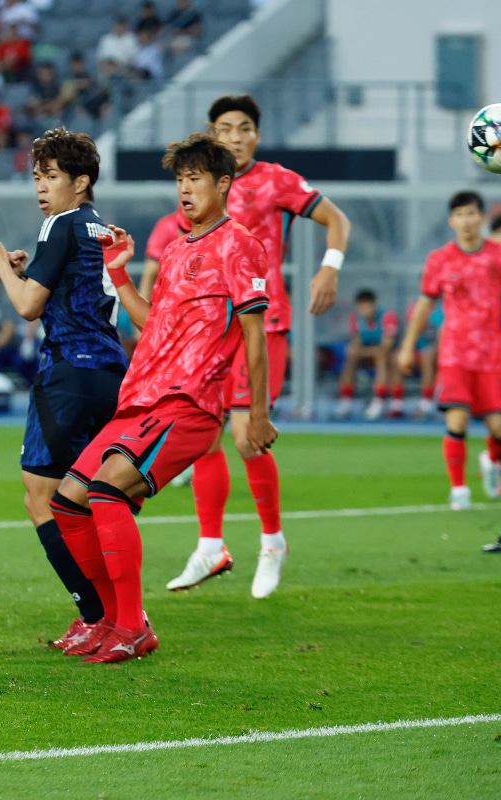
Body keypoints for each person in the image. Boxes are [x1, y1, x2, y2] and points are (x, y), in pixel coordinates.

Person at [48, 132, 274, 663]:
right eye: (179, 180)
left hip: (188, 402)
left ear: (224, 183)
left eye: (195, 179)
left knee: (106, 493)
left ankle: (133, 627)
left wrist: (258, 412)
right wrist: (119, 272)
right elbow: (153, 325)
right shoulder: (174, 250)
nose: (185, 190)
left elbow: (254, 334)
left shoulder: (240, 245)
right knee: (67, 502)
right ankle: (108, 620)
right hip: (142, 398)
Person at [163, 95, 351, 600]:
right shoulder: (199, 188)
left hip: (263, 324)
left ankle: (272, 543)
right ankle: (210, 546)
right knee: (203, 438)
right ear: (213, 134)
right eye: (226, 127)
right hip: (210, 329)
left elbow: (338, 219)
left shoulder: (275, 180)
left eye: (245, 127)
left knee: (246, 437)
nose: (237, 136)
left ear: (257, 136)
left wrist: (329, 268)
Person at [0, 127, 128, 653]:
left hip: (68, 373)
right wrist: (23, 272)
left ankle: (98, 615)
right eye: (37, 177)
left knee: (42, 497)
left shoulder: (60, 223)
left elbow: (27, 307)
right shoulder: (98, 227)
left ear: (80, 182)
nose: (41, 187)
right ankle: (120, 614)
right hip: (109, 373)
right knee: (87, 499)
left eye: (52, 176)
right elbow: (64, 290)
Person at [397, 191, 501, 514]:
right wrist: (408, 345)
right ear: (451, 221)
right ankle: (459, 489)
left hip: (494, 356)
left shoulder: (497, 256)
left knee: (497, 427)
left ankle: (492, 460)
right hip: (455, 354)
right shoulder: (440, 259)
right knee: (458, 419)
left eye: (471, 214)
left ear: (482, 218)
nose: (466, 220)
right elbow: (425, 304)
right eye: (460, 214)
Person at [335, 290, 399, 421]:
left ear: (374, 304)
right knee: (351, 355)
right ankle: (346, 401)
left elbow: (387, 345)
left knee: (383, 358)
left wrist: (372, 351)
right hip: (368, 353)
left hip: (386, 356)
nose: (364, 310)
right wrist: (364, 351)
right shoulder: (355, 319)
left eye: (367, 305)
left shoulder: (387, 316)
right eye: (361, 306)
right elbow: (356, 342)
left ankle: (379, 401)